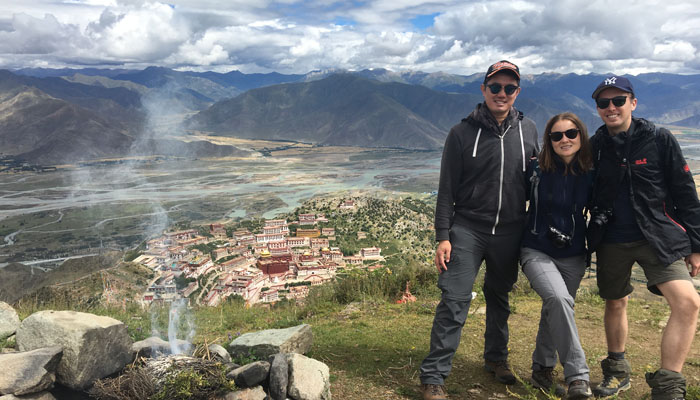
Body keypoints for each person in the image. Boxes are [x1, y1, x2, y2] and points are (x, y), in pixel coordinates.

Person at [419, 60, 539, 400]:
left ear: (518, 92)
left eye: (509, 88)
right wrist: (443, 235)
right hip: (468, 229)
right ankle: (433, 376)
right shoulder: (461, 133)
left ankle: (496, 359)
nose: (502, 94)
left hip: (511, 230)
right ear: (483, 90)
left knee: (499, 296)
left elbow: (535, 182)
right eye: (495, 87)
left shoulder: (528, 129)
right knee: (454, 299)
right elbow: (446, 190)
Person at [587, 75, 700, 400]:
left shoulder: (659, 139)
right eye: (604, 103)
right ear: (597, 109)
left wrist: (697, 246)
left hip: (659, 238)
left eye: (618, 100)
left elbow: (684, 191)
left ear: (632, 103)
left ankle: (668, 387)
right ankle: (617, 371)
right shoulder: (596, 146)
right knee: (616, 301)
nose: (611, 107)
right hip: (611, 239)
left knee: (688, 302)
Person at [520, 112, 593, 399]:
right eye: (556, 135)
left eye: (571, 133)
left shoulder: (591, 171)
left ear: (581, 135)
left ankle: (541, 370)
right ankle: (578, 376)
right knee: (559, 300)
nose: (564, 139)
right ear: (548, 141)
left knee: (556, 308)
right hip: (536, 249)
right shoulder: (536, 170)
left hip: (574, 254)